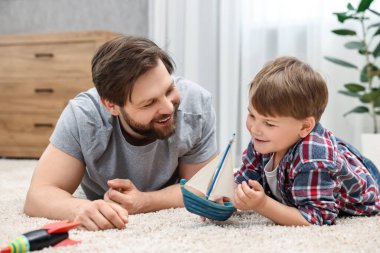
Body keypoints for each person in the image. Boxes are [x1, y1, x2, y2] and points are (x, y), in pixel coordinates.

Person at [24, 35, 217, 231]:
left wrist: (145, 201)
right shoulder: (83, 116)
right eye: (149, 102)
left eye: (169, 90)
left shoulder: (196, 106)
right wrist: (80, 208)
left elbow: (202, 187)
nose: (168, 108)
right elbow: (38, 195)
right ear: (111, 105)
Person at [233, 56, 380, 226]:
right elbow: (243, 180)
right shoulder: (263, 139)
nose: (254, 128)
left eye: (269, 123)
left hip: (369, 185)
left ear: (304, 126)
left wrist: (263, 204)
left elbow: (315, 218)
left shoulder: (313, 157)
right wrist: (228, 195)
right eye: (252, 115)